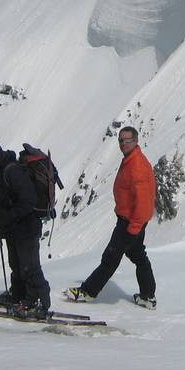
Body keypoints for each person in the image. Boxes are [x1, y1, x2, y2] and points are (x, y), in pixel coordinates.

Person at [65, 126, 157, 309]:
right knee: (138, 255)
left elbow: (144, 201)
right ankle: (148, 296)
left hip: (130, 222)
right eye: (121, 140)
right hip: (131, 221)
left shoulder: (137, 166)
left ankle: (88, 292)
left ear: (136, 141)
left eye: (127, 140)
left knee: (110, 258)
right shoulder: (131, 160)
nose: (123, 143)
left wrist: (133, 228)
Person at [0, 133, 51, 319]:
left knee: (30, 266)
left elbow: (28, 200)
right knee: (16, 264)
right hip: (13, 228)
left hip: (27, 226)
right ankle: (19, 295)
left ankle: (39, 301)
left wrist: (7, 217)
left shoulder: (11, 170)